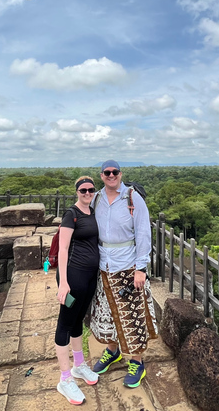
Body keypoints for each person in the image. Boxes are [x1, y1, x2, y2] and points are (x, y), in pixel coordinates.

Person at [89, 159, 158, 388]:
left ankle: (137, 362)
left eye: (114, 172)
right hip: (103, 264)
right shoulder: (97, 198)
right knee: (107, 312)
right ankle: (113, 351)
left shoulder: (131, 197)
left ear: (120, 174)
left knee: (132, 314)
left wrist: (141, 269)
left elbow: (143, 233)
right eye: (106, 173)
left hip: (127, 264)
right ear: (101, 176)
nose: (111, 176)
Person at [54, 176, 101, 405]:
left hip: (89, 277)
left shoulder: (93, 212)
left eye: (91, 189)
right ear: (77, 191)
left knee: (77, 320)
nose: (87, 193)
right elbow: (63, 249)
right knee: (65, 322)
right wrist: (63, 282)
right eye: (83, 190)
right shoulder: (71, 214)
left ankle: (79, 365)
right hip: (73, 276)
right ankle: (64, 378)